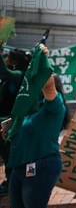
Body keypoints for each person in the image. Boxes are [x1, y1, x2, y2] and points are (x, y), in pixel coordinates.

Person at [2, 45, 69, 208]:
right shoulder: (29, 109)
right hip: (18, 167)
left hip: (40, 166)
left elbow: (48, 86)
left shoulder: (55, 107)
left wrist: (42, 62)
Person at [0, 42, 31, 195]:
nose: (5, 58)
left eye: (7, 57)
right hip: (4, 118)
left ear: (14, 60)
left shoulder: (19, 74)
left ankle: (11, 181)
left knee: (8, 152)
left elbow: (4, 70)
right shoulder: (12, 74)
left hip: (10, 120)